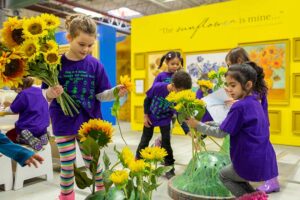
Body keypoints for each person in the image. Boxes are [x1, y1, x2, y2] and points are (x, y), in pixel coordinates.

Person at [42, 14, 128, 200]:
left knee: (94, 163)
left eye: (90, 45)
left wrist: (115, 92)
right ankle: (66, 196)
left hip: (89, 124)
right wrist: (51, 93)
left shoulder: (95, 64)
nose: (86, 49)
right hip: (62, 123)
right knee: (67, 165)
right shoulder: (55, 64)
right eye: (82, 44)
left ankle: (102, 194)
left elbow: (101, 95)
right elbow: (44, 95)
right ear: (69, 38)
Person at [186, 63, 278, 198]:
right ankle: (256, 196)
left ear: (247, 85)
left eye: (233, 85)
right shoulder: (254, 102)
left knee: (224, 175)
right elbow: (230, 124)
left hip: (249, 161)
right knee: (239, 180)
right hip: (264, 159)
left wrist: (197, 125)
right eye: (227, 85)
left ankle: (247, 198)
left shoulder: (239, 106)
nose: (229, 89)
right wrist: (209, 123)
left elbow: (221, 132)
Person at [226, 47, 279, 193]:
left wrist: (236, 103)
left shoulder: (248, 75)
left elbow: (255, 97)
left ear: (238, 61)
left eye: (229, 64)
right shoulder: (248, 74)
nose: (229, 68)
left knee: (264, 149)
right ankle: (270, 179)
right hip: (257, 118)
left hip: (256, 120)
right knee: (264, 147)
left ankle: (271, 180)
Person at [136, 70, 192, 179]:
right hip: (151, 116)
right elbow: (147, 100)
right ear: (173, 86)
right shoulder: (158, 87)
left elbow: (180, 114)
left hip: (165, 118)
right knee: (145, 140)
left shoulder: (177, 97)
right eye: (180, 91)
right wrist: (145, 115)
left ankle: (169, 168)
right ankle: (138, 163)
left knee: (166, 143)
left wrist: (188, 130)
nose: (180, 94)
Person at [148, 51, 190, 147]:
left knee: (169, 133)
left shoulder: (179, 76)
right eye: (172, 64)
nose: (175, 66)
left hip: (174, 108)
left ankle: (160, 146)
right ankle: (159, 147)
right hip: (163, 108)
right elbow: (154, 89)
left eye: (177, 64)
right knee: (167, 131)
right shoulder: (160, 76)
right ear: (167, 62)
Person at [2, 77, 49, 151]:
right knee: (38, 126)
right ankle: (42, 136)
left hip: (28, 127)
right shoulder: (39, 90)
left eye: (15, 90)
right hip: (43, 125)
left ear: (19, 87)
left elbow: (13, 109)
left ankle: (24, 139)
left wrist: (5, 108)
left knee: (11, 135)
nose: (16, 92)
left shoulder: (23, 93)